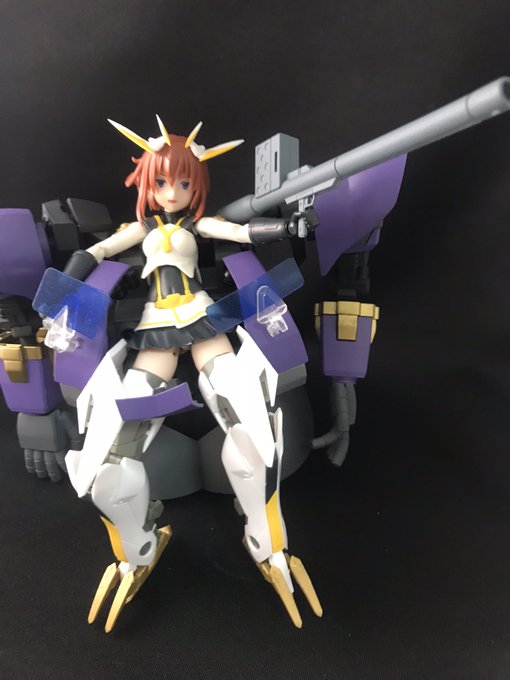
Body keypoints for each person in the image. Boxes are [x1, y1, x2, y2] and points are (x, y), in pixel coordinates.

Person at [58, 116, 322, 631]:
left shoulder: (198, 226)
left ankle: (268, 543)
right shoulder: (140, 229)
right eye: (163, 181)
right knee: (114, 445)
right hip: (155, 326)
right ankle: (135, 549)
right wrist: (61, 293)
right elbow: (96, 252)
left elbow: (241, 231)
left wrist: (288, 227)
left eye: (183, 182)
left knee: (248, 418)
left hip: (202, 319)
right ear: (147, 183)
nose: (172, 191)